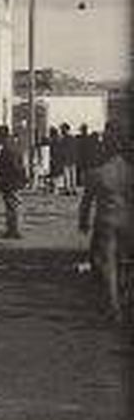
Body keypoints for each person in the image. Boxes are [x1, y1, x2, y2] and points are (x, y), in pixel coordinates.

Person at [79, 124, 132, 320]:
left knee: (109, 265)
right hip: (128, 221)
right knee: (126, 263)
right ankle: (125, 296)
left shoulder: (97, 173)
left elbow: (86, 202)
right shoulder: (129, 172)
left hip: (106, 222)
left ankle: (114, 306)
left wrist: (83, 222)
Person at [0, 125, 27, 239]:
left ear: (1, 136)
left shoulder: (6, 149)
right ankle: (12, 229)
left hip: (10, 181)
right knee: (13, 205)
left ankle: (15, 230)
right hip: (14, 180)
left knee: (12, 205)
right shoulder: (14, 146)